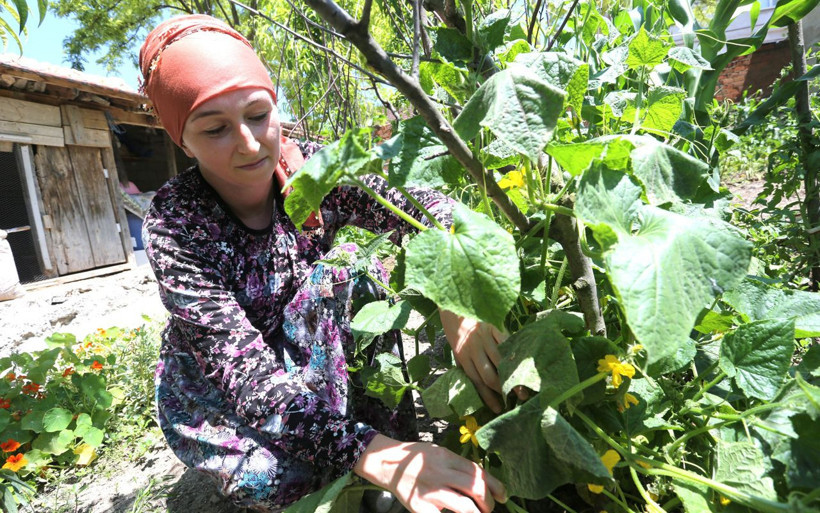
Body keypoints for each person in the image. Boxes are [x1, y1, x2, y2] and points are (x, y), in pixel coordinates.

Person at [139, 14, 508, 513]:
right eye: (215, 129)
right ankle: (369, 462)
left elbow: (425, 206)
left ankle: (383, 449)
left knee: (353, 271)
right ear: (183, 140)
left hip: (309, 346)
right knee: (276, 480)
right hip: (221, 389)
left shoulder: (313, 169)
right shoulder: (175, 225)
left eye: (256, 113)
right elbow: (245, 377)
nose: (249, 142)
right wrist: (372, 454)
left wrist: (456, 295)